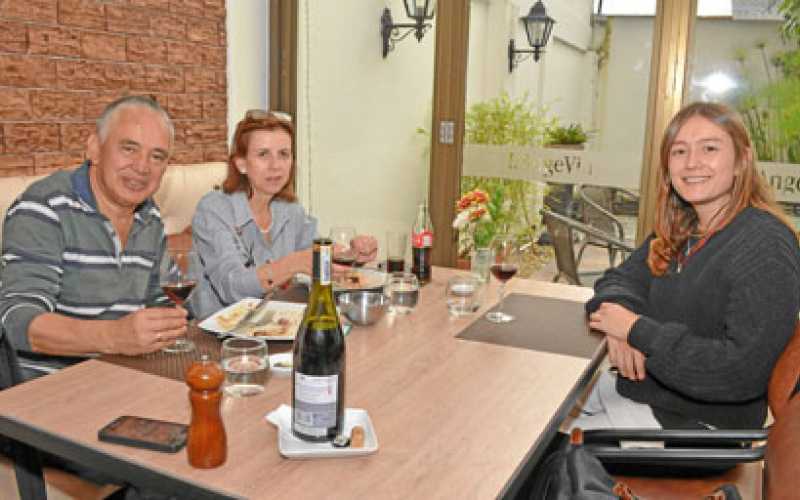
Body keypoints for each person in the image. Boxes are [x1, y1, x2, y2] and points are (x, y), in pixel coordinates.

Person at [581, 102, 800, 430]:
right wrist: (622, 324)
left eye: (709, 148)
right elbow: (617, 279)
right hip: (646, 397)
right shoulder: (683, 229)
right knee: (533, 412)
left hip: (696, 430)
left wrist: (636, 330)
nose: (692, 163)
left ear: (742, 160)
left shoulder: (765, 243)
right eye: (679, 152)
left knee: (535, 457)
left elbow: (739, 373)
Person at [0, 95, 188, 379]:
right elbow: (19, 323)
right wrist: (113, 336)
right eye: (129, 148)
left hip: (126, 376)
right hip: (51, 392)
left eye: (157, 156)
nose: (142, 167)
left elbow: (160, 300)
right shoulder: (44, 208)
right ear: (94, 149)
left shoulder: (149, 217)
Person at [190, 110, 377, 319]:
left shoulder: (290, 209)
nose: (276, 165)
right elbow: (232, 288)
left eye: (284, 154)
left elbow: (315, 259)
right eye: (263, 154)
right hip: (218, 336)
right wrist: (292, 264)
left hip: (277, 326)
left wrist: (352, 254)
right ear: (241, 163)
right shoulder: (214, 209)